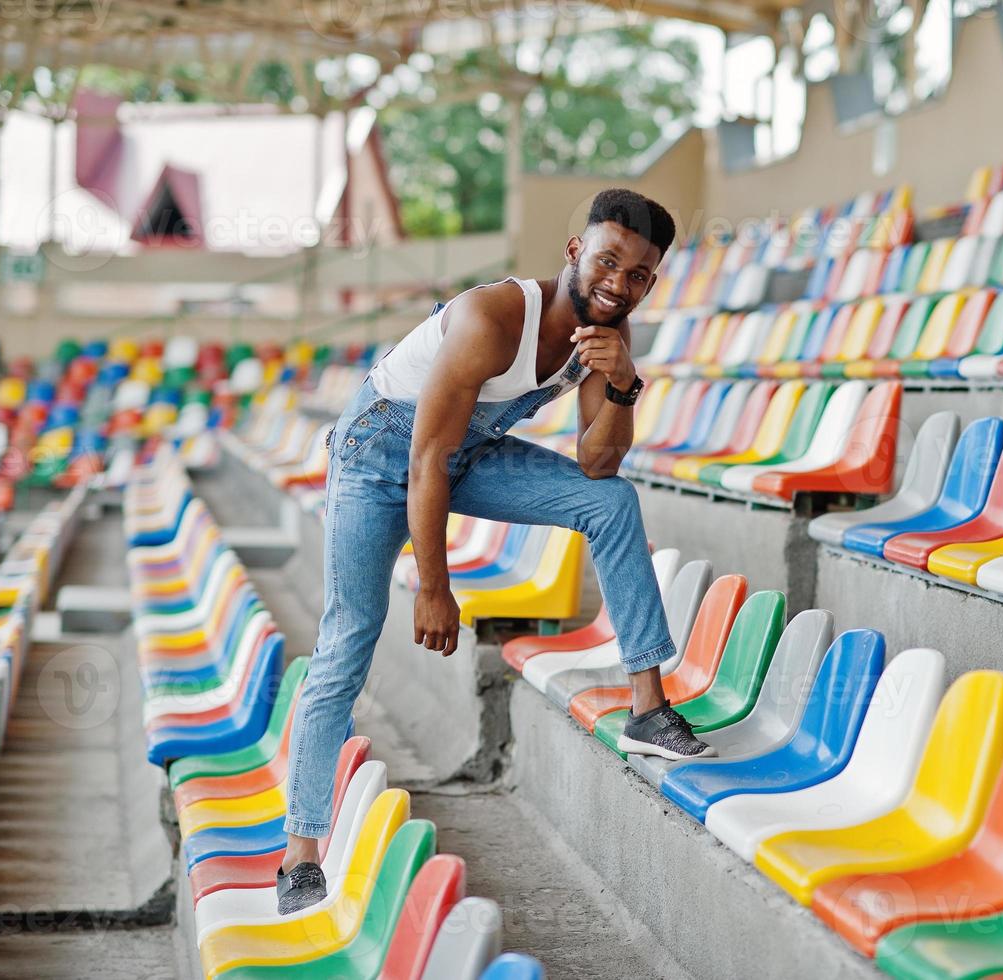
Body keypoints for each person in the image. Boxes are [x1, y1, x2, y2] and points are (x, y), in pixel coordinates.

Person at [275, 188, 715, 914]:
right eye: (607, 261)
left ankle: (647, 709)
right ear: (575, 252)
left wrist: (625, 384)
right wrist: (432, 586)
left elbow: (599, 465)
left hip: (466, 452)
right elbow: (424, 459)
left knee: (611, 502)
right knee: (347, 639)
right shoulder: (494, 316)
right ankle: (299, 854)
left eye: (638, 274)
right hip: (381, 454)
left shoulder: (609, 334)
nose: (618, 282)